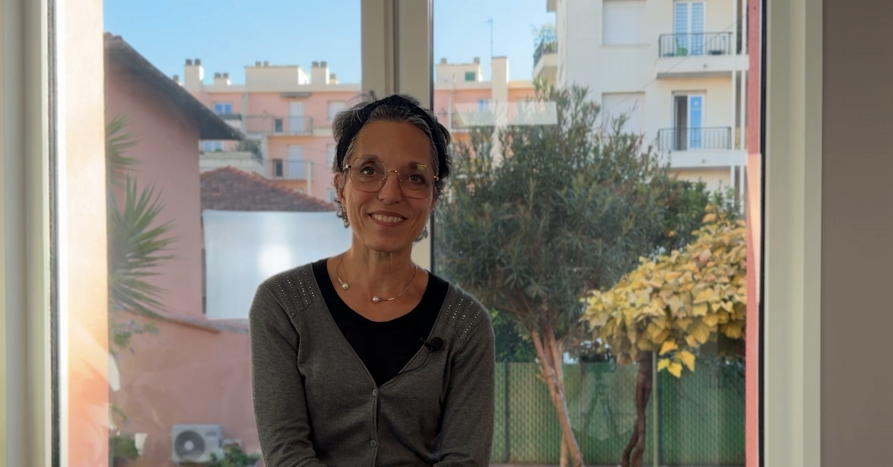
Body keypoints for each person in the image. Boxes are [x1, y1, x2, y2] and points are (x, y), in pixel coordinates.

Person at [249, 94, 496, 467]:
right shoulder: (283, 305)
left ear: (433, 198)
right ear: (341, 186)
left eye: (415, 177)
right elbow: (287, 455)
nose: (390, 193)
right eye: (369, 170)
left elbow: (465, 460)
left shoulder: (465, 324)